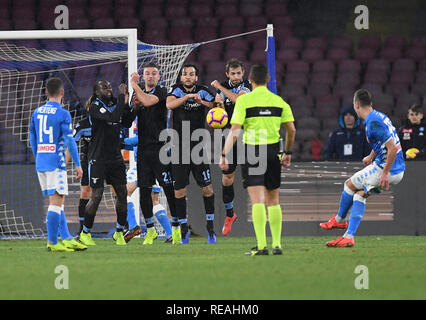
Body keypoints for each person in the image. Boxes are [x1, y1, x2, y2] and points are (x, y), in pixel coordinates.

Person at [220, 64, 296, 256]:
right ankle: (277, 245)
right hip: (273, 153)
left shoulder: (245, 101)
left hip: (253, 153)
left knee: (257, 202)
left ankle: (262, 246)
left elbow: (235, 130)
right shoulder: (279, 101)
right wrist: (287, 152)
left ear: (251, 80)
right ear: (268, 80)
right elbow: (292, 130)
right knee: (274, 201)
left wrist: (224, 154)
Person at [320, 89, 405, 247]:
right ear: (370, 104)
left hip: (387, 169)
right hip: (397, 170)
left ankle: (339, 220)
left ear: (356, 105)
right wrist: (371, 156)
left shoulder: (372, 123)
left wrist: (385, 173)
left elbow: (392, 148)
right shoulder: (379, 116)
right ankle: (348, 236)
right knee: (359, 195)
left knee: (349, 184)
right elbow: (384, 141)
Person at [29, 77, 87, 252]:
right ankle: (53, 242)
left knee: (56, 202)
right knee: (56, 203)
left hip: (41, 162)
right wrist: (77, 164)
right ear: (62, 92)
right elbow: (70, 142)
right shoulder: (63, 113)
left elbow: (32, 137)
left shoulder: (37, 112)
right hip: (56, 163)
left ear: (46, 92)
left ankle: (67, 238)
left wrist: (39, 155)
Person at [128, 62, 179, 245]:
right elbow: (128, 121)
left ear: (159, 77)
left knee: (168, 188)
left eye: (154, 73)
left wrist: (134, 85)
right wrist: (133, 106)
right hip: (143, 149)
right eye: (147, 73)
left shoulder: (162, 92)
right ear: (143, 75)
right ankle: (150, 230)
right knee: (144, 190)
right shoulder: (138, 96)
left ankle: (176, 229)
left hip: (161, 148)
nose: (150, 76)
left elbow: (149, 102)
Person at [78, 79, 133, 246]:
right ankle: (85, 233)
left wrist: (134, 107)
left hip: (115, 156)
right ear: (96, 91)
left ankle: (119, 232)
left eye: (109, 86)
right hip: (98, 157)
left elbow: (126, 121)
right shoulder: (95, 105)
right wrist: (122, 96)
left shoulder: (116, 102)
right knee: (96, 196)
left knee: (122, 193)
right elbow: (113, 118)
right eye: (104, 87)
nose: (108, 89)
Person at [166, 64, 216, 244]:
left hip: (198, 147)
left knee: (207, 188)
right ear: (181, 77)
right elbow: (169, 104)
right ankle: (184, 228)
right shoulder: (176, 90)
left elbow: (216, 105)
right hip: (179, 147)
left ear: (196, 77)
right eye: (185, 74)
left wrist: (201, 101)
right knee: (179, 190)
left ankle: (210, 227)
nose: (188, 77)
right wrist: (187, 97)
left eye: (191, 74)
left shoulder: (203, 91)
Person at [211, 58, 252, 236]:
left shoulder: (248, 86)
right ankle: (230, 215)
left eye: (238, 73)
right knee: (227, 178)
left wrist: (220, 88)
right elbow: (220, 117)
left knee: (251, 180)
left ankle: (262, 211)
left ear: (243, 73)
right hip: (230, 136)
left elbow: (238, 100)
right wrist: (218, 104)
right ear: (227, 74)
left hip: (248, 135)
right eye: (232, 74)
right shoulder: (225, 88)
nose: (236, 77)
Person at [123, 130, 173, 243]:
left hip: (143, 165)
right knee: (154, 201)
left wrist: (117, 140)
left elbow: (139, 140)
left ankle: (133, 226)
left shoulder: (147, 126)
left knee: (124, 193)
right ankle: (170, 233)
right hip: (157, 165)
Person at [71, 104, 92, 235]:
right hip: (88, 161)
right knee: (85, 191)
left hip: (107, 160)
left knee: (116, 190)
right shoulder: (82, 125)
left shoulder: (108, 122)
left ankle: (123, 227)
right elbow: (71, 143)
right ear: (89, 108)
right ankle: (82, 228)